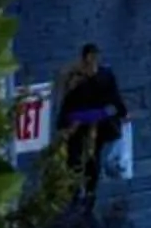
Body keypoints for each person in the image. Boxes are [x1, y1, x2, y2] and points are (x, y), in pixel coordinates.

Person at [53, 44, 127, 205]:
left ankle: (87, 189)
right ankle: (80, 189)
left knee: (90, 157)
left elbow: (113, 97)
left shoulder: (101, 76)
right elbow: (67, 101)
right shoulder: (77, 78)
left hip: (91, 124)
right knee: (78, 157)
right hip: (80, 125)